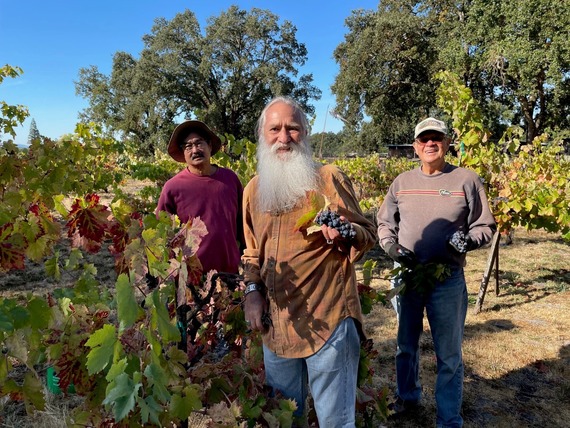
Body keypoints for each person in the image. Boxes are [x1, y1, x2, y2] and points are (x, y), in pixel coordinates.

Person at [241, 96, 377, 427]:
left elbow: (367, 233)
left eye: (293, 128)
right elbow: (251, 251)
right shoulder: (254, 191)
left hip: (328, 320)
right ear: (262, 134)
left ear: (306, 133)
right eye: (275, 129)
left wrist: (344, 232)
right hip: (278, 325)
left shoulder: (328, 179)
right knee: (285, 417)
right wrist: (251, 291)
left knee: (335, 421)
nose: (284, 138)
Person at [376, 117, 497, 427]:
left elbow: (485, 225)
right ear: (415, 146)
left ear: (447, 143)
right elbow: (385, 223)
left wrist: (467, 240)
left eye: (437, 138)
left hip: (447, 281)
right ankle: (408, 398)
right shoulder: (401, 182)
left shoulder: (466, 180)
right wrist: (390, 247)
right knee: (406, 345)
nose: (430, 143)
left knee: (449, 355)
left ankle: (448, 419)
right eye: (424, 138)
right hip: (407, 277)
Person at [156, 120, 244, 276]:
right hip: (192, 279)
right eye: (188, 146)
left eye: (199, 143)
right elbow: (163, 236)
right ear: (183, 153)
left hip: (231, 274)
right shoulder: (173, 188)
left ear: (210, 146)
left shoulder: (230, 179)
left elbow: (242, 224)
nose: (195, 150)